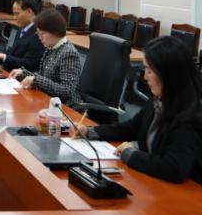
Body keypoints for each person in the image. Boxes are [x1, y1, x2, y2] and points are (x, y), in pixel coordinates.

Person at [77, 36, 202, 184]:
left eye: (150, 71)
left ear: (168, 74)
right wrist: (91, 131)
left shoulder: (190, 116)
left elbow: (174, 168)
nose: (144, 76)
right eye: (145, 68)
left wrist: (131, 155)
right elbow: (132, 127)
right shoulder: (160, 99)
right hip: (155, 183)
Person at [9, 9, 82, 107]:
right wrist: (23, 73)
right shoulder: (50, 47)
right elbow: (42, 76)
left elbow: (67, 91)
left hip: (65, 108)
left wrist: (36, 80)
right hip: (48, 101)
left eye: (42, 33)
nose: (39, 37)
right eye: (38, 33)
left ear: (55, 32)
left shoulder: (69, 53)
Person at [0, 0, 45, 71]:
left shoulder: (39, 33)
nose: (14, 17)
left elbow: (30, 64)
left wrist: (3, 57)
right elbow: (13, 52)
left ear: (29, 11)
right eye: (14, 14)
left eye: (17, 13)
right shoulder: (22, 27)